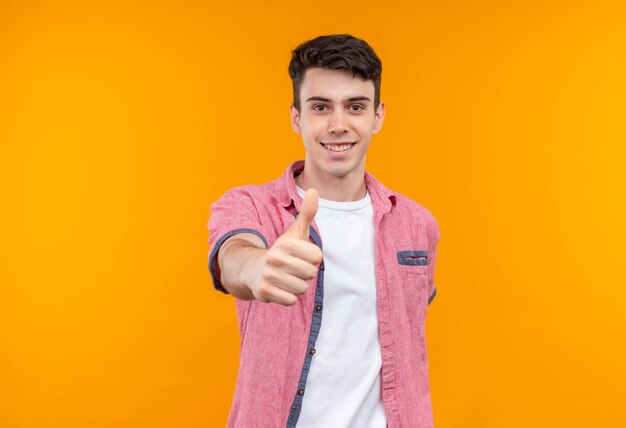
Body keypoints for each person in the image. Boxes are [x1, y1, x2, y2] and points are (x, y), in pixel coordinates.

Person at [207, 34, 440, 428]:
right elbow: (235, 255)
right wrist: (256, 267)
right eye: (320, 107)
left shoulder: (417, 225)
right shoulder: (250, 206)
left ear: (377, 116)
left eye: (355, 107)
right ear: (296, 116)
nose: (338, 125)